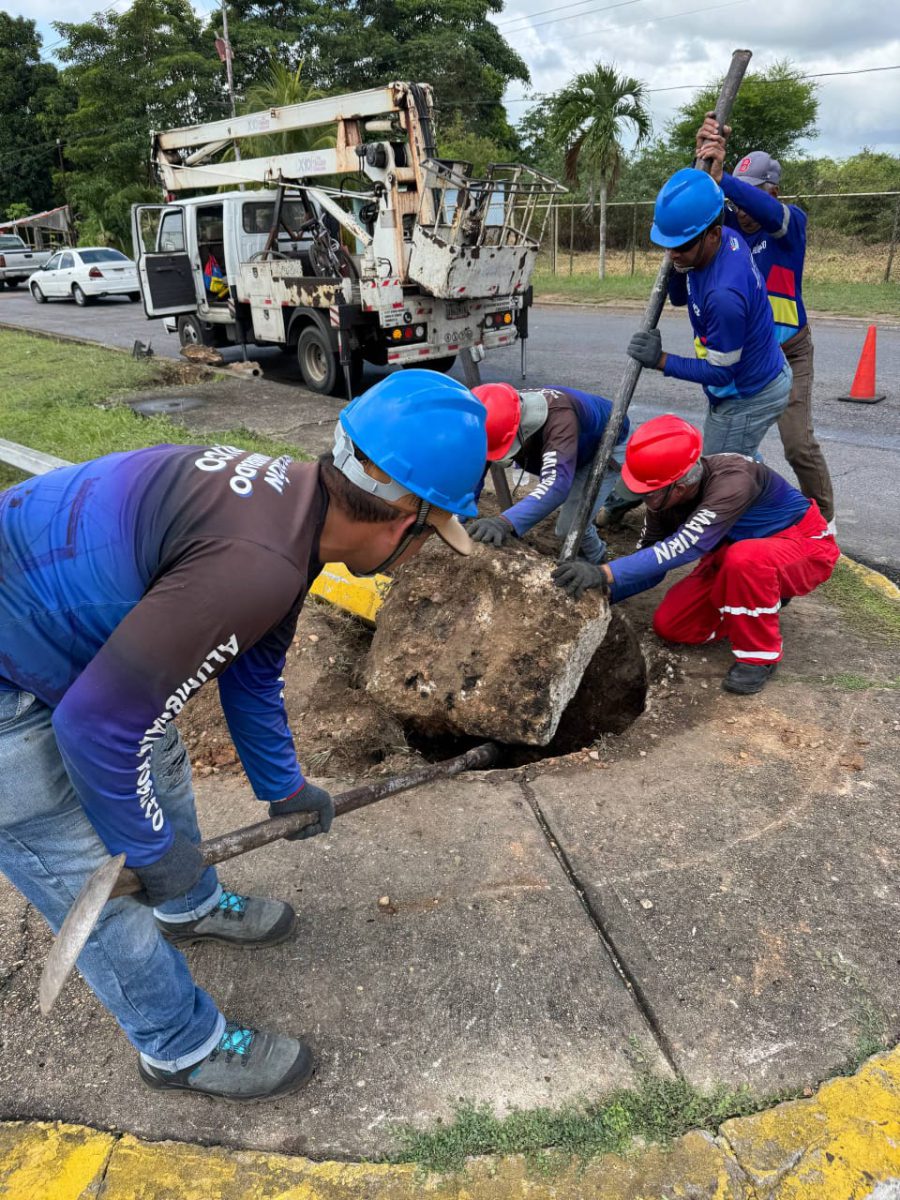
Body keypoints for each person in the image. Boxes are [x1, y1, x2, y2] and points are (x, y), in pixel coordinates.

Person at [0, 370, 486, 1103]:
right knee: (91, 879)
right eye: (432, 535)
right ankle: (178, 1047)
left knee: (158, 750)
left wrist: (285, 789)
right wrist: (151, 852)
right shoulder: (255, 564)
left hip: (43, 622)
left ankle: (188, 906)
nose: (420, 554)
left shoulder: (295, 512)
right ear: (401, 519)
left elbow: (251, 672)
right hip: (11, 677)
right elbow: (95, 726)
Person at [552, 415, 840, 695]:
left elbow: (685, 546)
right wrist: (603, 590)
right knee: (673, 625)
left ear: (680, 487)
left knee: (746, 560)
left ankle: (759, 656)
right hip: (732, 555)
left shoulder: (733, 482)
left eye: (649, 493)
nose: (644, 500)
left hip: (802, 545)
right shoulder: (663, 499)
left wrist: (603, 571)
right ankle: (764, 596)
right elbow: (652, 560)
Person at [695, 115, 835, 527]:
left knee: (797, 445)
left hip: (790, 353)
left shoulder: (790, 225)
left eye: (755, 195)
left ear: (775, 193)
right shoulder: (727, 227)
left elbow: (768, 213)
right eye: (739, 200)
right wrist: (704, 158)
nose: (744, 209)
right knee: (736, 445)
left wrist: (725, 181)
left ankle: (824, 523)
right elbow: (698, 205)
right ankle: (755, 507)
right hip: (748, 360)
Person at [627, 168, 793, 459]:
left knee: (718, 471)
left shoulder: (723, 296)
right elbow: (680, 297)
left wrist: (660, 360)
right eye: (667, 244)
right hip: (761, 373)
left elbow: (720, 372)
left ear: (713, 234)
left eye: (682, 245)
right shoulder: (720, 239)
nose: (672, 253)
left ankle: (760, 487)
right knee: (741, 459)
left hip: (748, 394)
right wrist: (678, 263)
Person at [467, 382, 630, 565]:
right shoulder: (497, 414)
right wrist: (457, 514)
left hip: (604, 443)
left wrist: (504, 522)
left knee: (570, 528)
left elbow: (556, 484)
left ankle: (598, 561)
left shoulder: (560, 417)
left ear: (522, 427)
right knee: (570, 498)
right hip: (568, 443)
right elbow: (474, 467)